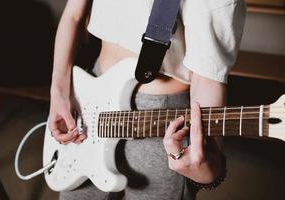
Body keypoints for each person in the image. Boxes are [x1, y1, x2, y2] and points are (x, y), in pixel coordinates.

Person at [48, 0, 246, 199]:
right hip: (90, 99)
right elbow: (73, 13)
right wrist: (58, 93)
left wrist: (210, 162)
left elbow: (207, 76)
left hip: (159, 121)